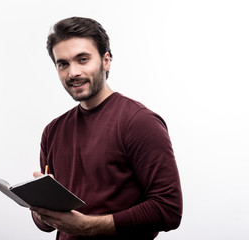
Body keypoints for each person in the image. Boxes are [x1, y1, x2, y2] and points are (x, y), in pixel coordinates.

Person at [30, 17, 182, 240]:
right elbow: (46, 226)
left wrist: (87, 226)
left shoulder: (139, 122)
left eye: (82, 59)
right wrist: (41, 208)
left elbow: (169, 210)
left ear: (106, 60)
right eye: (63, 64)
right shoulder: (52, 131)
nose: (73, 72)